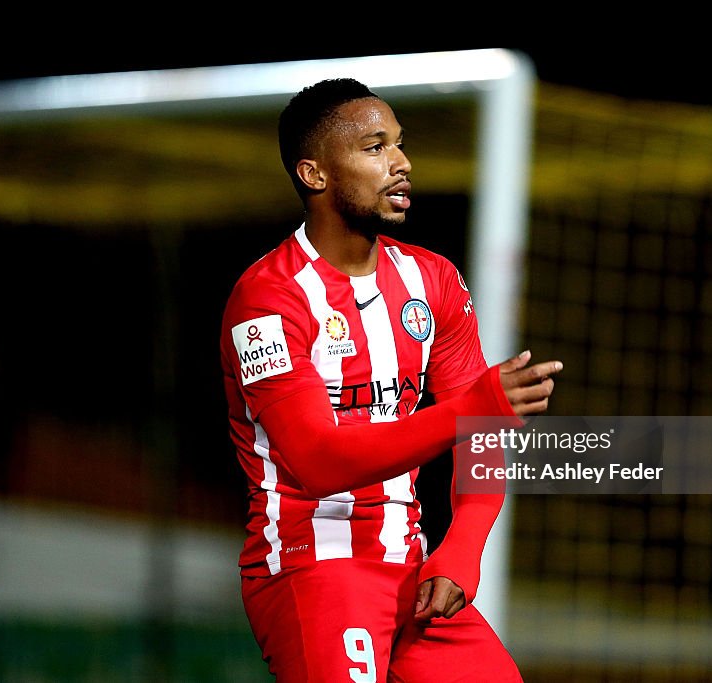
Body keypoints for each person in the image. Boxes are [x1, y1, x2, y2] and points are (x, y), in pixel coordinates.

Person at [219, 77, 562, 682]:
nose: (401, 163)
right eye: (375, 148)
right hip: (310, 567)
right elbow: (319, 461)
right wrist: (474, 408)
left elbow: (479, 440)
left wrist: (462, 550)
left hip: (413, 570)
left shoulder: (433, 283)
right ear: (315, 174)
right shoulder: (268, 300)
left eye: (399, 145)